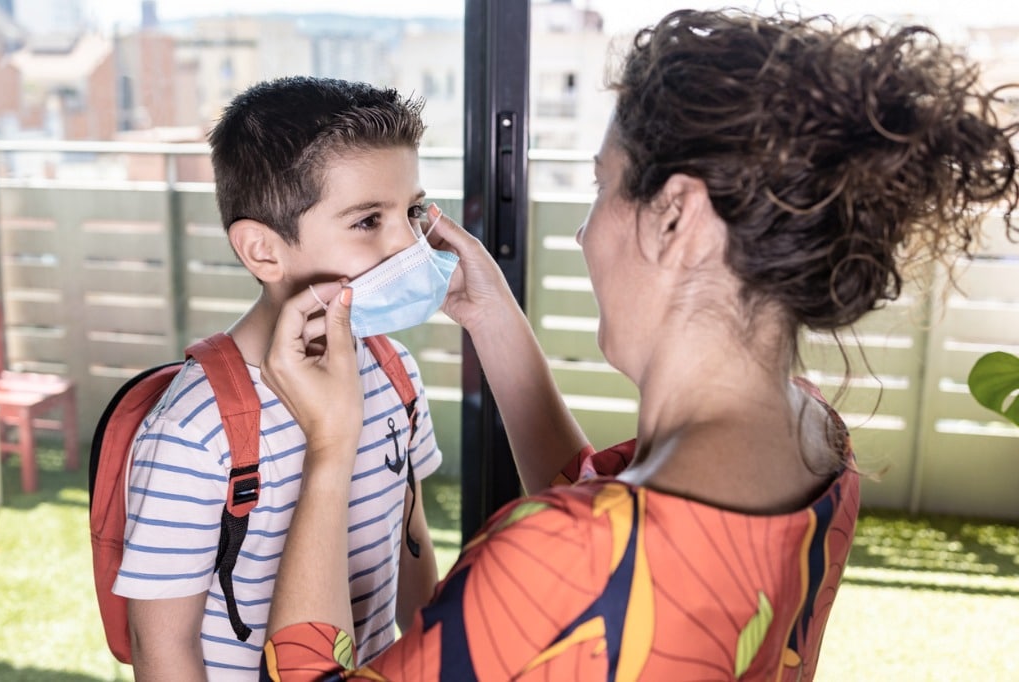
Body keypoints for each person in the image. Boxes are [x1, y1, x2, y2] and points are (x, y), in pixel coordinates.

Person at [257, 10, 1019, 681]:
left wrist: (332, 449)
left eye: (603, 187)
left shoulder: (560, 555)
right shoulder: (815, 435)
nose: (586, 231)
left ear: (678, 216)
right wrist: (493, 317)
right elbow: (602, 507)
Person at [112, 76, 449, 680]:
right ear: (264, 252)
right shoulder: (194, 431)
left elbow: (409, 542)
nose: (408, 243)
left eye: (413, 210)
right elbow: (162, 647)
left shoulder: (395, 372)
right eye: (369, 220)